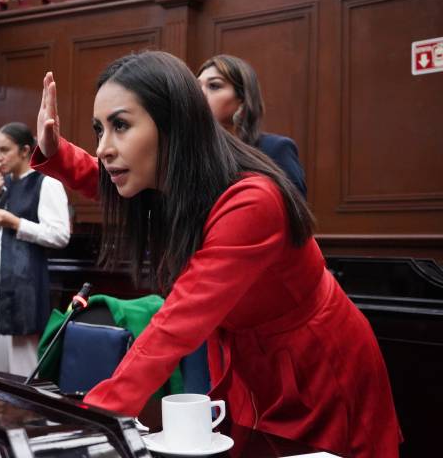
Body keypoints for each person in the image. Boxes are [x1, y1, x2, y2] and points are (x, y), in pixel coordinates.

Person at [30, 51, 400, 457]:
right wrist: (56, 151)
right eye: (99, 129)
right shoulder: (177, 183)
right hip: (251, 364)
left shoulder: (253, 201)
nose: (103, 148)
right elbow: (102, 178)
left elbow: (175, 325)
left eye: (120, 125)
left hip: (316, 368)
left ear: (173, 124)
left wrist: (94, 420)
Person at [0, 122, 70, 376]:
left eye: (5, 150)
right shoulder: (0, 184)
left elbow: (60, 235)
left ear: (25, 151)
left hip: (24, 288)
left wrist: (17, 224)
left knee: (22, 370)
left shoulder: (46, 183)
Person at [198, 54, 307, 197]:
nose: (200, 93)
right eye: (196, 86)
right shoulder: (194, 150)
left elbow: (295, 206)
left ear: (242, 99)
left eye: (214, 86)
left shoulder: (276, 148)